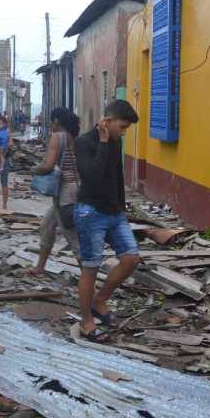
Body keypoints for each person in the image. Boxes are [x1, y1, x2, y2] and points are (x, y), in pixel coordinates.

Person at [73, 100, 141, 342]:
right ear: (107, 121)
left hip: (114, 212)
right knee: (90, 267)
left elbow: (116, 176)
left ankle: (99, 301)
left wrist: (121, 206)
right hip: (90, 212)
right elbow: (92, 176)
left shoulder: (116, 141)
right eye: (122, 127)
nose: (123, 133)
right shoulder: (83, 142)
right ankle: (86, 321)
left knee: (131, 258)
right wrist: (102, 143)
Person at [25, 108, 82, 275]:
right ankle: (40, 267)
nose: (49, 124)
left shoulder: (57, 137)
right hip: (73, 188)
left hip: (66, 193)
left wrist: (34, 170)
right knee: (47, 227)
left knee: (72, 236)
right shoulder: (72, 137)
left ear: (56, 121)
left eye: (50, 121)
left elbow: (48, 166)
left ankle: (88, 280)